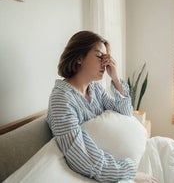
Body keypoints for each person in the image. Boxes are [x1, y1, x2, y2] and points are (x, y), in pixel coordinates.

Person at [45, 31, 156, 182]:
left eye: (106, 57)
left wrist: (115, 78)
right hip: (115, 168)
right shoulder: (61, 100)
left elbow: (126, 112)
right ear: (79, 57)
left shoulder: (95, 90)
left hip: (122, 159)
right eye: (99, 56)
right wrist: (130, 172)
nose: (105, 63)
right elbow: (82, 157)